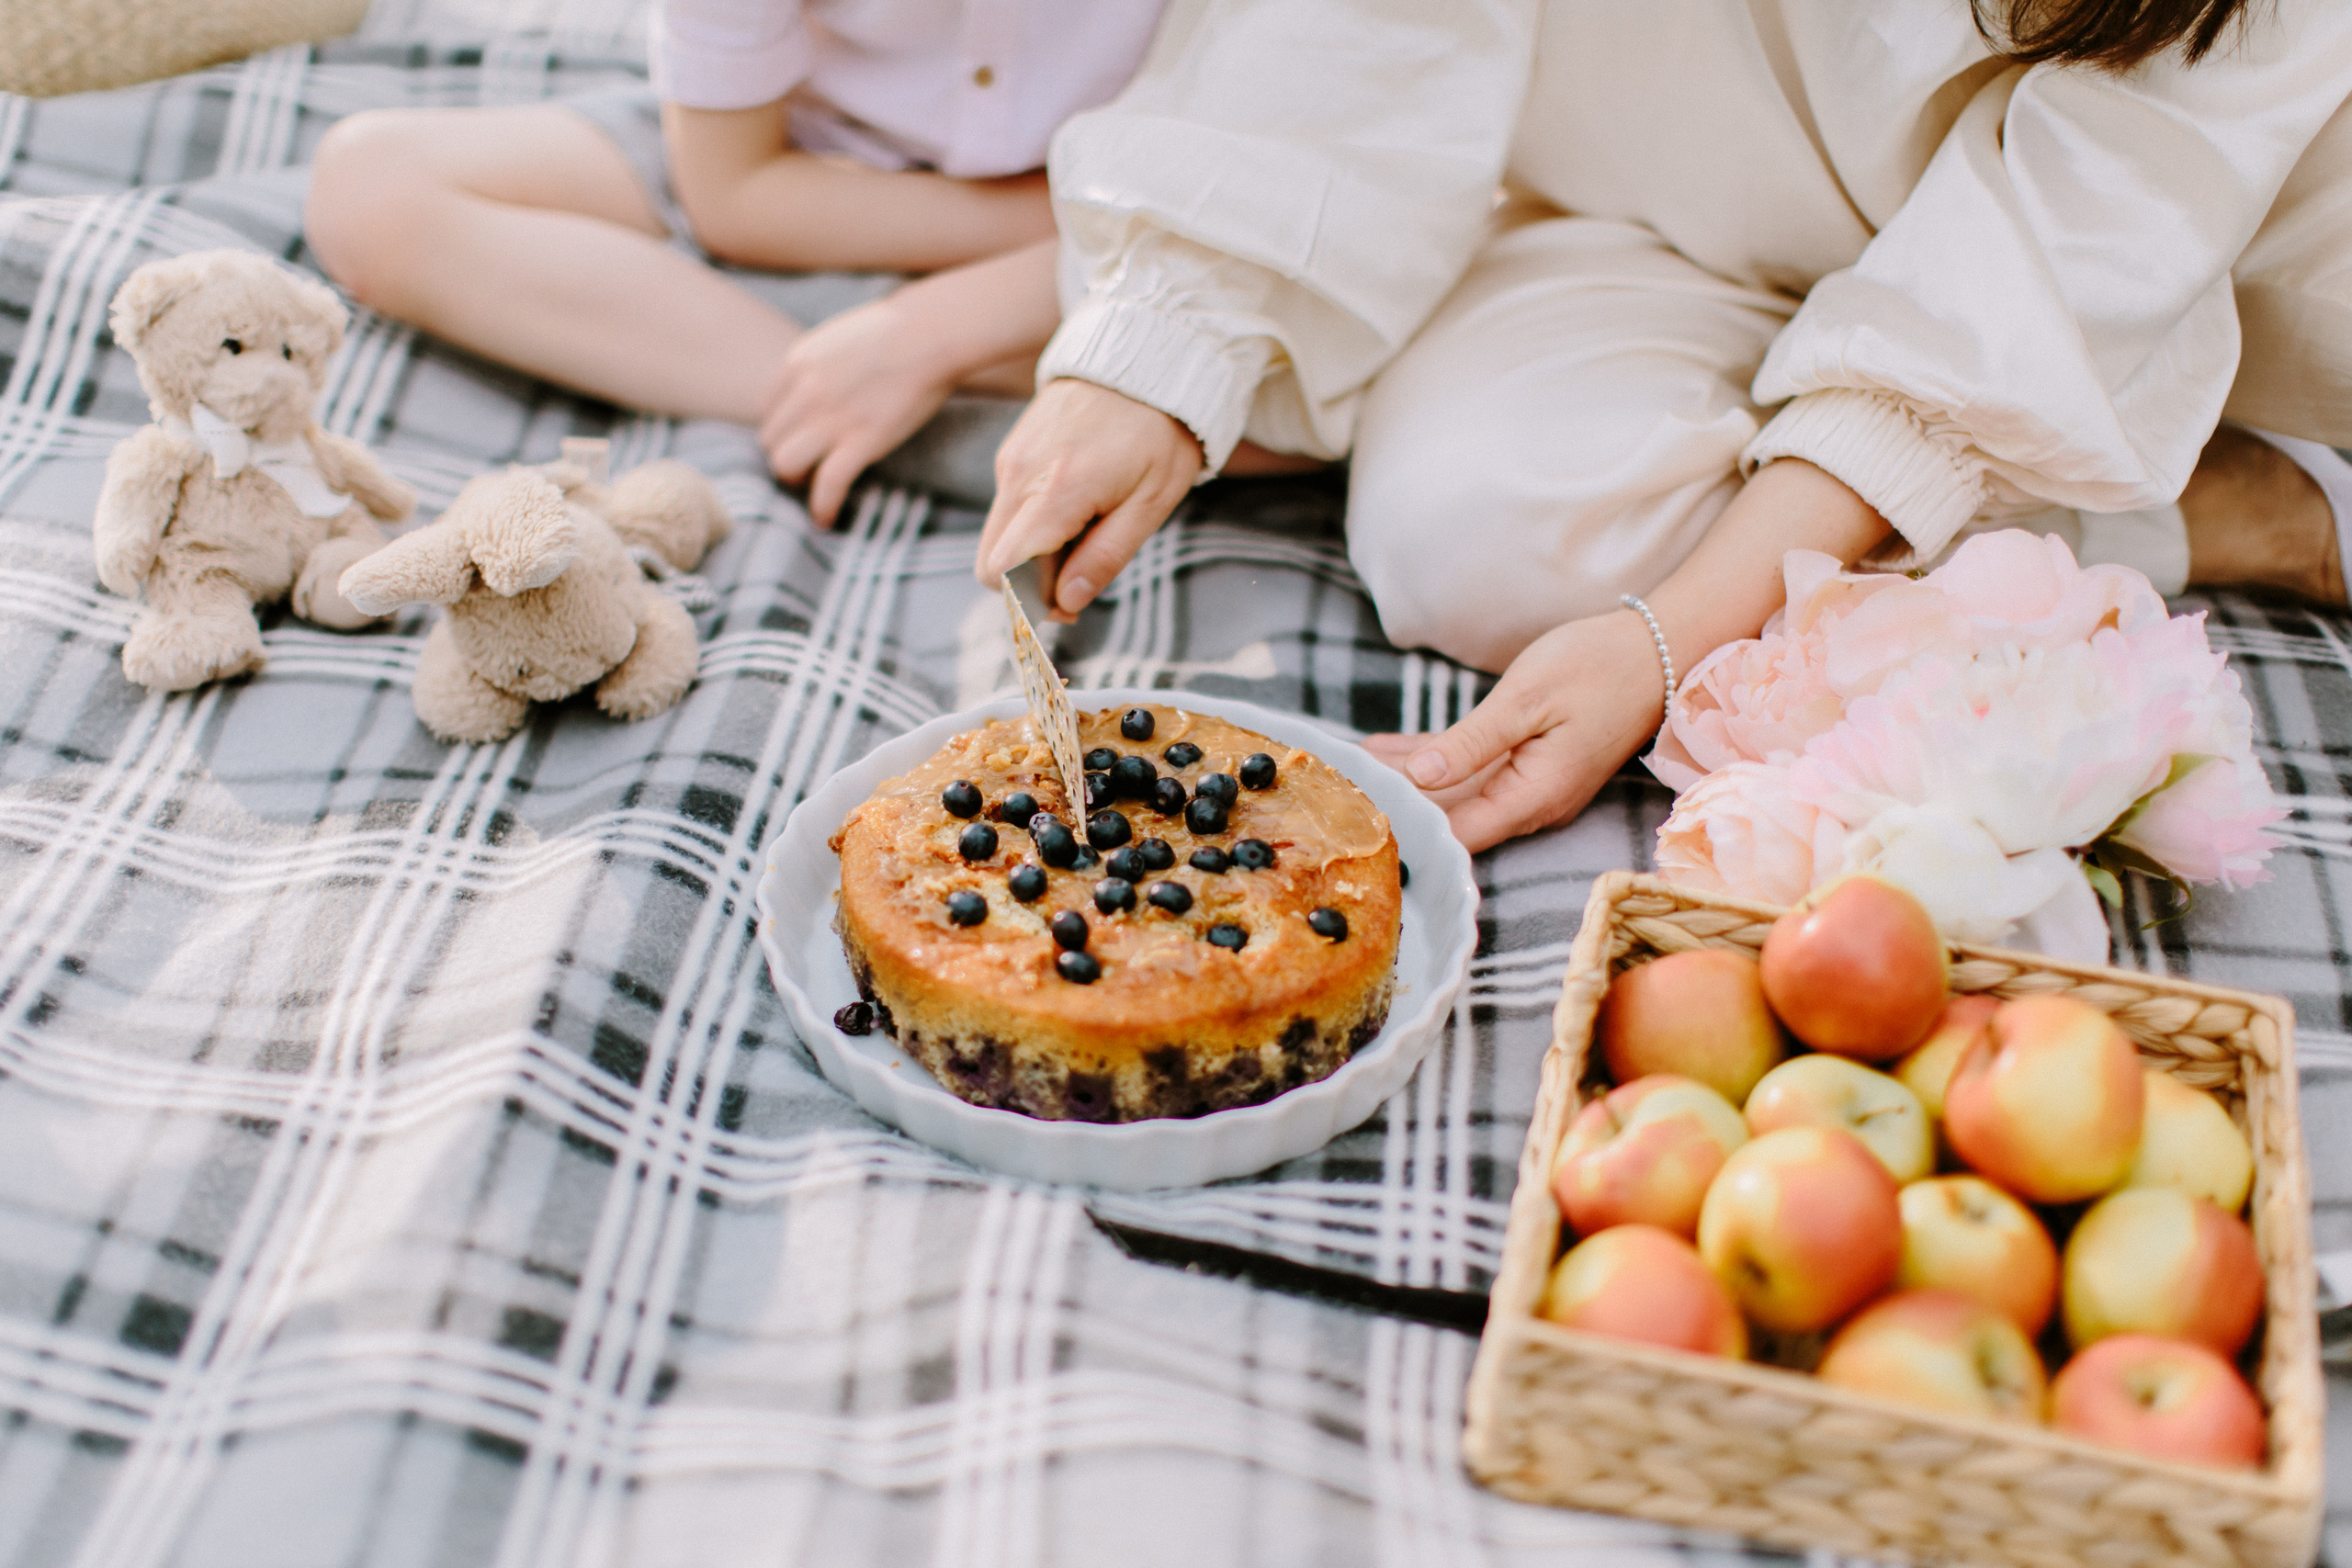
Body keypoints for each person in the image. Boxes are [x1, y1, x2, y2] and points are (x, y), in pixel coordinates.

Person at [972, 0, 2352, 852]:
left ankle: (2226, 495)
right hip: (1691, 208)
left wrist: (1665, 636)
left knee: (1653, 579)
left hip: (2160, 274)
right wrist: (1164, 338)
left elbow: (2064, 250)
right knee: (1468, 535)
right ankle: (2096, 495)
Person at [303, 0, 1167, 528]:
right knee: (371, 190)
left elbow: (1268, 210)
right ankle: (873, 396)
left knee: (1275, 406)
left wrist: (941, 324)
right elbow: (732, 190)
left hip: (1156, 225)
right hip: (812, 161)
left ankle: (883, 381)